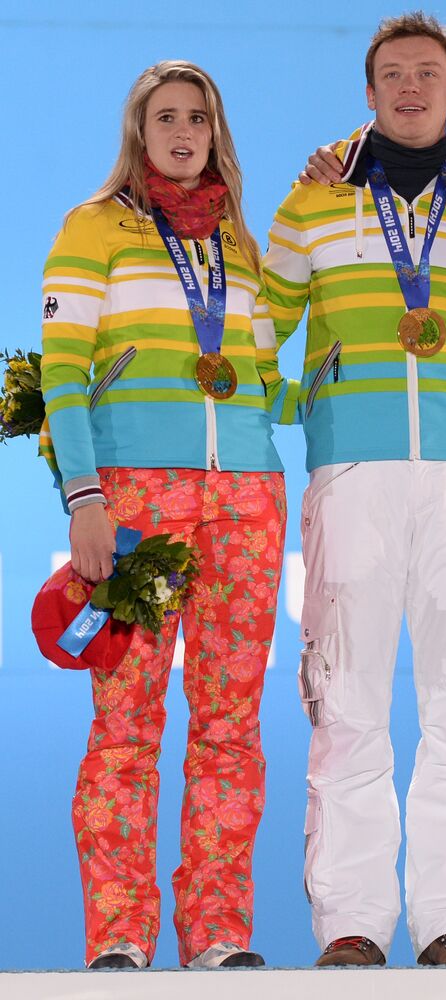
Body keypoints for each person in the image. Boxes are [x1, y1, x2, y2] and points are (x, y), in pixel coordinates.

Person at [263, 12, 446, 968]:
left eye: (429, 73)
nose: (411, 88)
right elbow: (258, 330)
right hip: (351, 476)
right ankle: (351, 925)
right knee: (347, 704)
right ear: (368, 92)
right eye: (392, 74)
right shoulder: (313, 205)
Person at [41, 60, 288, 970]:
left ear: (216, 133)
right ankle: (118, 939)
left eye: (199, 119)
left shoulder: (242, 244)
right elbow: (63, 373)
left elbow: (260, 382)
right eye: (166, 119)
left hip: (248, 499)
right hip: (139, 500)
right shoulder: (93, 227)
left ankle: (219, 935)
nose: (184, 133)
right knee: (127, 721)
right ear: (139, 135)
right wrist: (85, 498)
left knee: (230, 724)